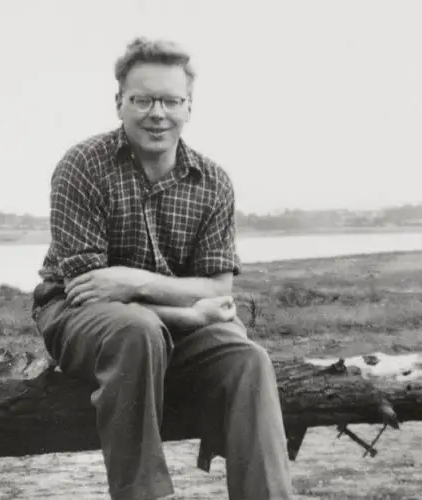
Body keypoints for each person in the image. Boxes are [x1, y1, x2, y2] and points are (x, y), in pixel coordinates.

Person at [31, 37, 295, 500]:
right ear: (119, 103)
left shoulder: (212, 181)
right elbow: (84, 290)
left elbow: (217, 290)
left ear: (189, 107)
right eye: (143, 99)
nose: (158, 112)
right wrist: (186, 311)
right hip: (78, 319)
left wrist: (135, 282)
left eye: (172, 100)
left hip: (174, 328)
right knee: (136, 330)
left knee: (248, 359)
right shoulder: (82, 166)